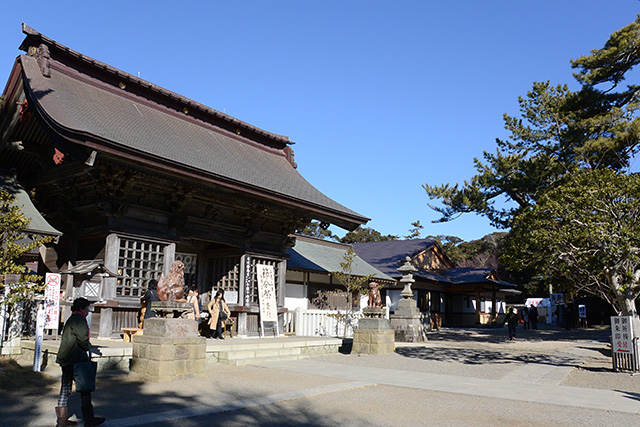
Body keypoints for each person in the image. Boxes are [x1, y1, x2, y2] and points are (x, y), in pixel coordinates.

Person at [55, 298, 105, 427]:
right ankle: (89, 419)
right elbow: (83, 340)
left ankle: (61, 421)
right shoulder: (80, 320)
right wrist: (90, 347)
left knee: (65, 389)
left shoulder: (71, 319)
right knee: (84, 388)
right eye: (87, 308)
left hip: (65, 358)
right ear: (82, 308)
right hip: (76, 358)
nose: (88, 311)